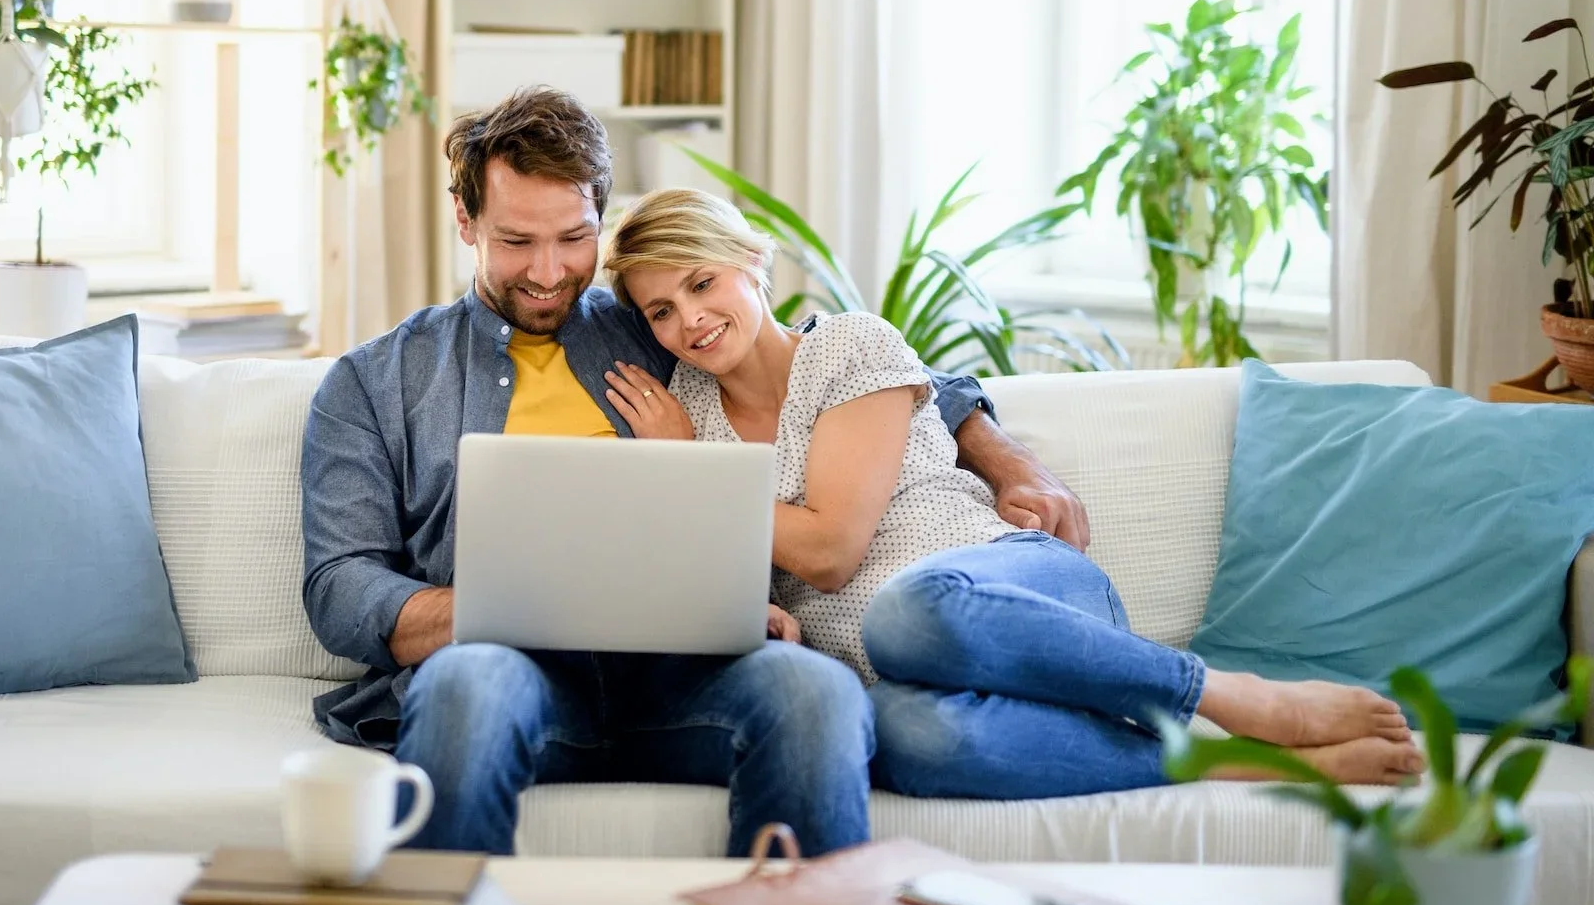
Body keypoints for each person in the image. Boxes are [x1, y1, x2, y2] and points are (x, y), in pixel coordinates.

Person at [301, 88, 1098, 855]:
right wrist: (501, 606)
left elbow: (868, 373)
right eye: (516, 242)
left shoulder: (656, 322)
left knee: (816, 695)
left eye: (573, 238)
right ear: (465, 218)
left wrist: (1007, 460)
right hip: (505, 669)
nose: (548, 271)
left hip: (697, 673)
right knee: (466, 692)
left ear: (600, 220)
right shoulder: (377, 382)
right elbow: (339, 586)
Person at [601, 186, 1428, 798]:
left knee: (907, 610)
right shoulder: (686, 419)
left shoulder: (852, 349)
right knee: (912, 742)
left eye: (703, 283)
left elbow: (827, 550)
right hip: (898, 680)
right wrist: (753, 613)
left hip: (1014, 594)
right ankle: (1248, 764)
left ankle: (1228, 697)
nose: (691, 322)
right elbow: (750, 587)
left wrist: (692, 474)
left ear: (750, 262)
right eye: (663, 311)